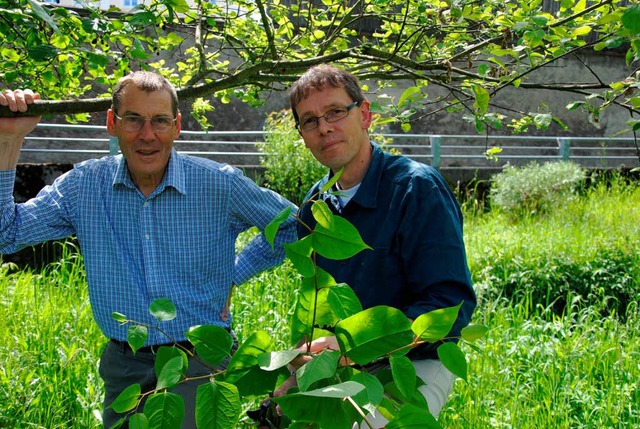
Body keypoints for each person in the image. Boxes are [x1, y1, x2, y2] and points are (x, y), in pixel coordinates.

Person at [0, 72, 297, 428]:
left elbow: (293, 226)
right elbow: (7, 232)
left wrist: (235, 272)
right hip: (124, 364)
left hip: (199, 360)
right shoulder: (84, 187)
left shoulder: (219, 182)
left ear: (177, 127)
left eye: (159, 121)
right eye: (133, 120)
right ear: (112, 123)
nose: (147, 135)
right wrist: (10, 138)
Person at [286, 64, 477, 426]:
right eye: (310, 121)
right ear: (303, 135)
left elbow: (449, 306)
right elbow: (318, 303)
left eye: (335, 112)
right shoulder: (313, 208)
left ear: (365, 114)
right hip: (343, 359)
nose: (324, 127)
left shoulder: (416, 189)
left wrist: (354, 346)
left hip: (417, 359)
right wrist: (299, 371)